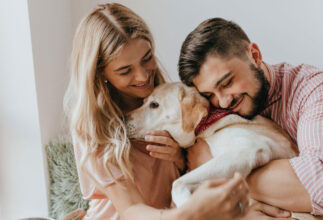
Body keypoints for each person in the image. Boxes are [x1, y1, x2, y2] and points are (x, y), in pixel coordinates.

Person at [64, 4, 249, 220]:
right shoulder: (94, 128)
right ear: (99, 72)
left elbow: (192, 169)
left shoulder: (169, 102)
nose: (143, 76)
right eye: (125, 71)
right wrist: (190, 213)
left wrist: (179, 158)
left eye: (147, 59)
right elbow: (130, 210)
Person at [178, 18, 323, 219]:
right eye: (210, 95)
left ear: (255, 56)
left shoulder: (309, 87)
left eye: (227, 82)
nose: (223, 102)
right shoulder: (207, 116)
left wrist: (212, 167)